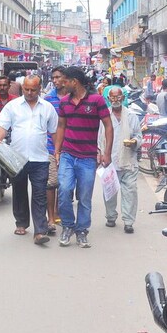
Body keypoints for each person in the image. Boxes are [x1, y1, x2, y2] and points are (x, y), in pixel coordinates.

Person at [54, 66, 113, 248]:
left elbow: (108, 126)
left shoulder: (97, 101)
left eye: (65, 81)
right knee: (64, 191)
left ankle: (82, 230)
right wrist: (57, 151)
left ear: (75, 82)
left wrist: (107, 153)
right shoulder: (64, 102)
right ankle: (67, 226)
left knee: (85, 197)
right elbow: (61, 126)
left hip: (88, 157)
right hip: (68, 155)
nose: (62, 85)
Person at [0, 75, 58, 244]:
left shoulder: (48, 108)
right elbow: (2, 126)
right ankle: (21, 223)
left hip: (41, 158)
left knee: (39, 193)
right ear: (22, 88)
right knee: (19, 190)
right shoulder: (12, 106)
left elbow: (54, 131)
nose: (29, 93)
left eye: (33, 90)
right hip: (17, 158)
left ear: (40, 89)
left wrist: (57, 152)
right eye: (26, 89)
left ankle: (40, 231)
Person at [99, 86, 142, 233]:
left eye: (118, 97)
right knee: (109, 191)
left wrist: (135, 141)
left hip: (128, 160)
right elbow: (99, 138)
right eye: (113, 98)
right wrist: (101, 154)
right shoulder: (104, 116)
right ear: (109, 99)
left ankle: (128, 222)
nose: (115, 100)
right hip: (110, 160)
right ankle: (111, 217)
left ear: (123, 98)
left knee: (130, 191)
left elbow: (138, 135)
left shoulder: (131, 116)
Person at [44, 67, 65, 233]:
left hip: (70, 147)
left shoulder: (73, 98)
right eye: (54, 78)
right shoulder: (48, 99)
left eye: (58, 77)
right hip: (50, 147)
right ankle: (51, 217)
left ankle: (59, 210)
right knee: (51, 183)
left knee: (65, 184)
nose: (55, 80)